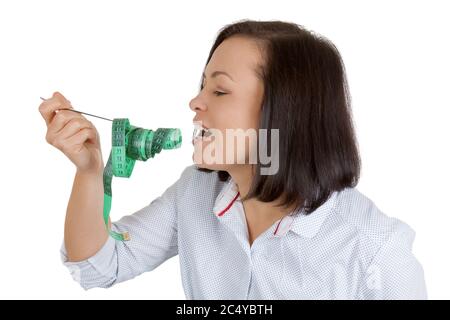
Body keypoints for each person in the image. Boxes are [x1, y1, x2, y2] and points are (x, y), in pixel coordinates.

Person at [38, 19, 427, 299]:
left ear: (285, 111)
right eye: (202, 85)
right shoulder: (195, 191)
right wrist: (89, 171)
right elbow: (102, 265)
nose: (195, 102)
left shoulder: (376, 249)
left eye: (220, 91)